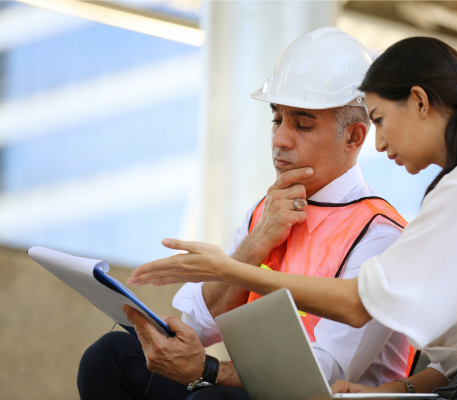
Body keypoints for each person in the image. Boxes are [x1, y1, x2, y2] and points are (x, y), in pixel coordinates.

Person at [129, 36, 457, 399]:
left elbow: (356, 305)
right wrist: (391, 390)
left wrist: (230, 267)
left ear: (418, 102)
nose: (379, 142)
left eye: (379, 120)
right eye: (278, 119)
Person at [78, 28, 421, 400]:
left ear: (354, 138)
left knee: (211, 398)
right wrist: (256, 243)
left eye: (302, 124)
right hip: (252, 390)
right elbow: (201, 324)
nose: (280, 139)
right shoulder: (268, 210)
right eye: (277, 119)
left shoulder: (380, 235)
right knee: (110, 356)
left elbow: (322, 377)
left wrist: (208, 370)